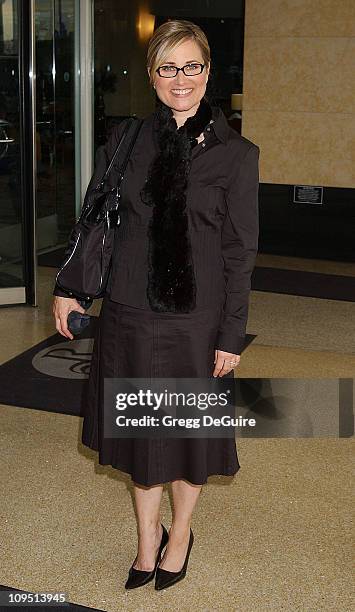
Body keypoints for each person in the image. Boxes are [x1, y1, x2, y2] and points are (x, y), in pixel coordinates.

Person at [52, 19, 259, 591]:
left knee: (186, 435)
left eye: (191, 66)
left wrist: (231, 335)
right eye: (168, 67)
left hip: (198, 318)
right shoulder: (126, 141)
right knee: (143, 433)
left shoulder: (237, 154)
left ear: (208, 71)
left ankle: (182, 532)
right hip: (129, 309)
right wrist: (71, 285)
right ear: (152, 76)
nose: (180, 78)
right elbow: (97, 218)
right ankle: (147, 539)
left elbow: (242, 252)